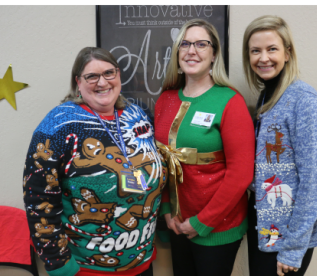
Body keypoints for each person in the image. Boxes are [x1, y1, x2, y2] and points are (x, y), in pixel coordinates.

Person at [23, 47, 168, 276]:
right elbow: (39, 199)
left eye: (109, 73)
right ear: (78, 82)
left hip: (141, 261)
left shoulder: (137, 115)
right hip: (87, 268)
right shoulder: (57, 127)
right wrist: (59, 264)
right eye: (92, 76)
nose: (102, 82)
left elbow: (157, 167)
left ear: (119, 75)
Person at [154, 19, 255, 276]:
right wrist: (167, 211)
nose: (192, 50)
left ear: (214, 54)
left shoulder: (229, 101)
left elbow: (241, 174)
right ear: (177, 53)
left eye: (201, 44)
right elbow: (162, 163)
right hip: (176, 222)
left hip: (217, 226)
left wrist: (202, 222)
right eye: (185, 44)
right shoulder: (165, 100)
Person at [242, 15, 317, 276]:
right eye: (255, 51)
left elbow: (314, 183)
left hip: (287, 240)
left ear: (288, 53)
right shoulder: (267, 96)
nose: (263, 58)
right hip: (264, 229)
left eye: (272, 49)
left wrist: (293, 249)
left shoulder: (303, 99)